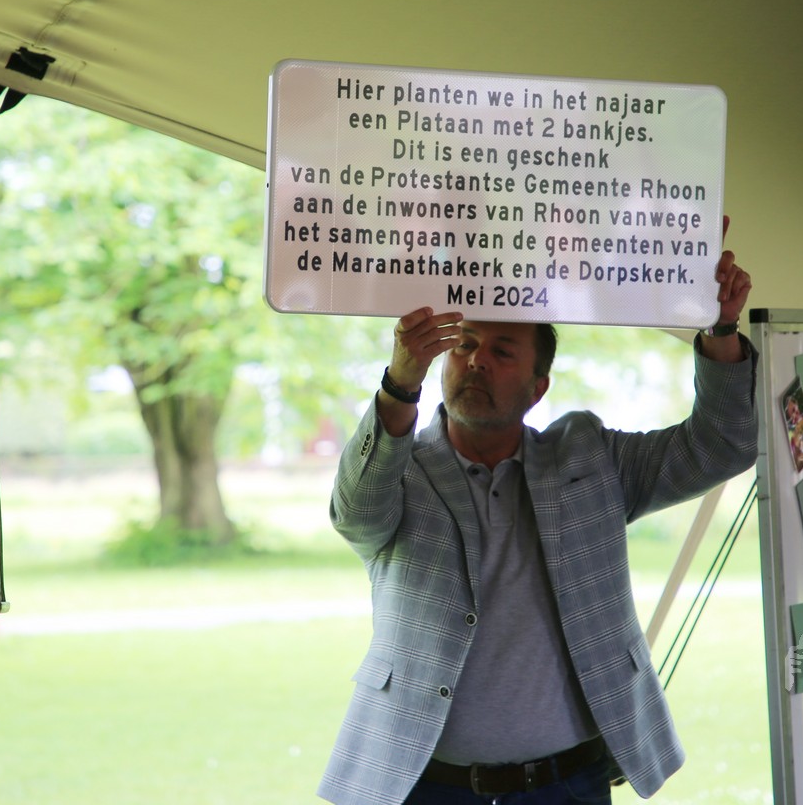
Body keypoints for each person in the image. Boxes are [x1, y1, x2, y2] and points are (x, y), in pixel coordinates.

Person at [317, 226, 757, 805]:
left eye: (502, 352)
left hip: (566, 784)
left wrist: (720, 331)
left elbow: (721, 447)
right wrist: (399, 386)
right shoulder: (398, 467)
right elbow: (355, 515)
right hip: (426, 786)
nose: (477, 361)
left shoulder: (589, 457)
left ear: (538, 386)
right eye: (463, 344)